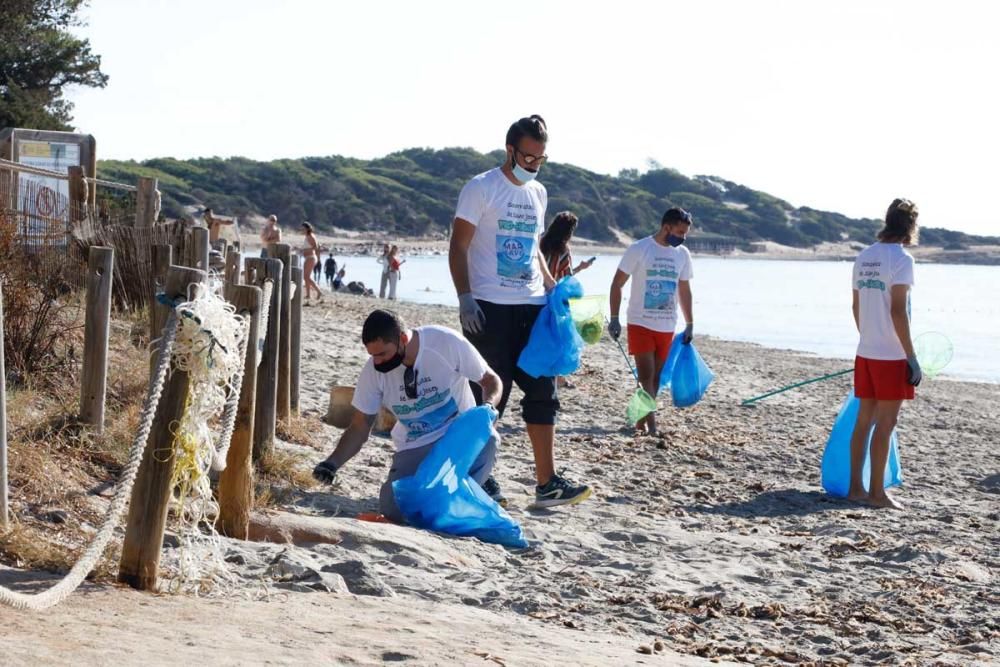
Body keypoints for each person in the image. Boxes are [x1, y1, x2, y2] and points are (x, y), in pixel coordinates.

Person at [449, 113, 592, 509]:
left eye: (540, 159)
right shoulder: (480, 188)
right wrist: (465, 297)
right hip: (489, 307)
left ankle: (546, 483)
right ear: (510, 150)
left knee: (544, 391)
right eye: (528, 157)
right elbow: (458, 246)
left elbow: (533, 249)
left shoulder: (539, 193)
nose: (533, 165)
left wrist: (551, 286)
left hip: (532, 307)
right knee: (491, 394)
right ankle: (479, 476)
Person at [312, 310, 503, 523]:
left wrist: (488, 407)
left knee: (490, 437)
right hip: (415, 444)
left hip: (457, 436)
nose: (377, 362)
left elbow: (490, 380)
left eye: (383, 354)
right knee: (394, 509)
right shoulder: (374, 372)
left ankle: (469, 485)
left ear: (402, 339)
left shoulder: (445, 342)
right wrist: (331, 464)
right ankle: (456, 491)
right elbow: (359, 426)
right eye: (372, 355)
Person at [846, 198, 921, 510]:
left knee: (864, 421)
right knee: (885, 424)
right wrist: (911, 357)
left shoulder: (864, 256)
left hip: (866, 351)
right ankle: (877, 493)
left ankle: (855, 488)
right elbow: (898, 311)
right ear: (911, 226)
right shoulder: (902, 260)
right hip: (891, 356)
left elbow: (856, 305)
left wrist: (869, 338)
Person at [608, 207, 695, 436]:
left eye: (685, 233)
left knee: (655, 378)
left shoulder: (682, 254)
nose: (682, 237)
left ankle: (639, 419)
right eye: (679, 231)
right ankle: (652, 426)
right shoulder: (639, 249)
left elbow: (684, 290)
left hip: (667, 324)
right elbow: (617, 283)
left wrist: (690, 323)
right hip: (640, 322)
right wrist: (615, 318)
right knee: (645, 375)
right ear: (666, 227)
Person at [539, 211, 595, 280]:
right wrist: (580, 267)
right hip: (550, 289)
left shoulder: (539, 242)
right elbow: (566, 277)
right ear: (569, 231)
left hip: (534, 287)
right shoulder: (563, 250)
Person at [300, 222, 323, 302]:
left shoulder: (310, 236)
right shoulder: (307, 237)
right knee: (305, 277)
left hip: (311, 257)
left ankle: (319, 291)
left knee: (307, 277)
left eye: (303, 228)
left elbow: (315, 247)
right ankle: (308, 294)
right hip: (308, 258)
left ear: (307, 229)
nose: (302, 230)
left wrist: (305, 250)